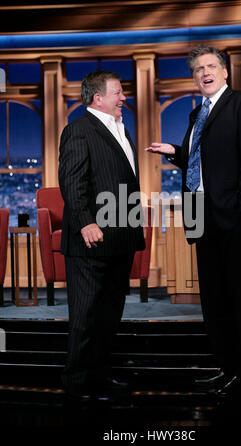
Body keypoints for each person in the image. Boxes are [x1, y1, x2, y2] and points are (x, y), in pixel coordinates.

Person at [146, 45, 241, 406]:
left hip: (232, 218)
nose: (204, 72)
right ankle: (226, 366)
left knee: (239, 298)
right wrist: (174, 151)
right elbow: (198, 160)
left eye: (210, 66)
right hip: (201, 217)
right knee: (213, 299)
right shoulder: (196, 115)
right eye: (198, 68)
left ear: (225, 71)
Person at [58, 71, 145, 401]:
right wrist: (85, 222)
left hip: (121, 239)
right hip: (90, 240)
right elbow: (72, 182)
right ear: (98, 98)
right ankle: (76, 383)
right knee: (85, 314)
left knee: (110, 314)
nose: (124, 98)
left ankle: (100, 376)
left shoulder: (121, 129)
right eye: (118, 92)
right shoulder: (79, 131)